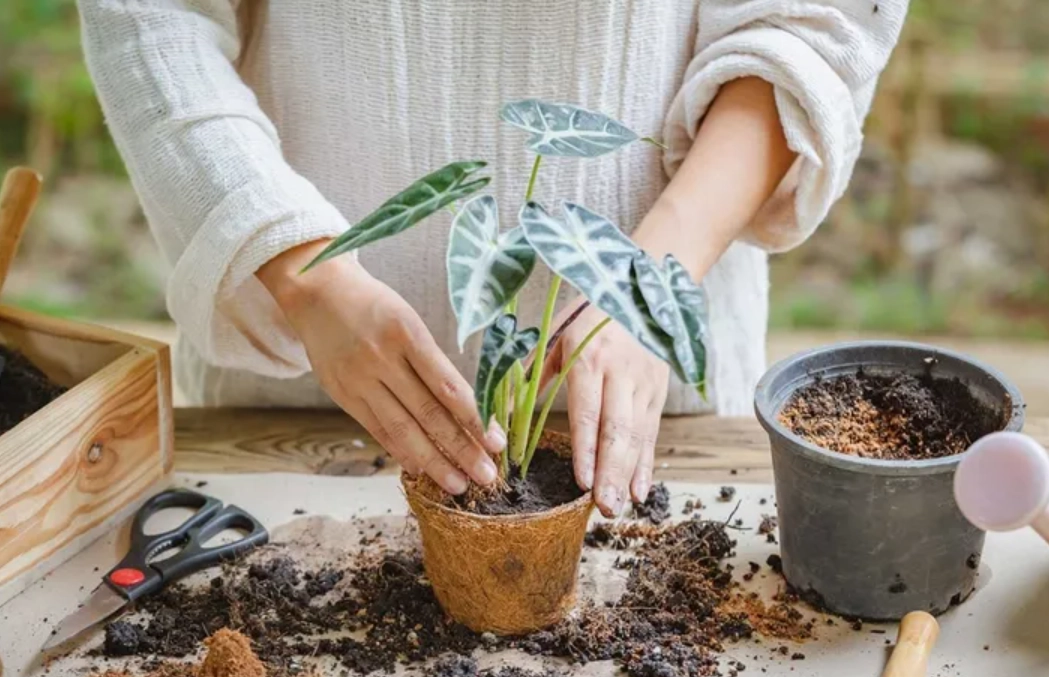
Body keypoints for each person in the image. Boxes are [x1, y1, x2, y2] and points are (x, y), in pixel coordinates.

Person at [77, 0, 907, 517]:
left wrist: (646, 281)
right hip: (295, 403)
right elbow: (149, 15)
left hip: (648, 415)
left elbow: (810, 27)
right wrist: (300, 270)